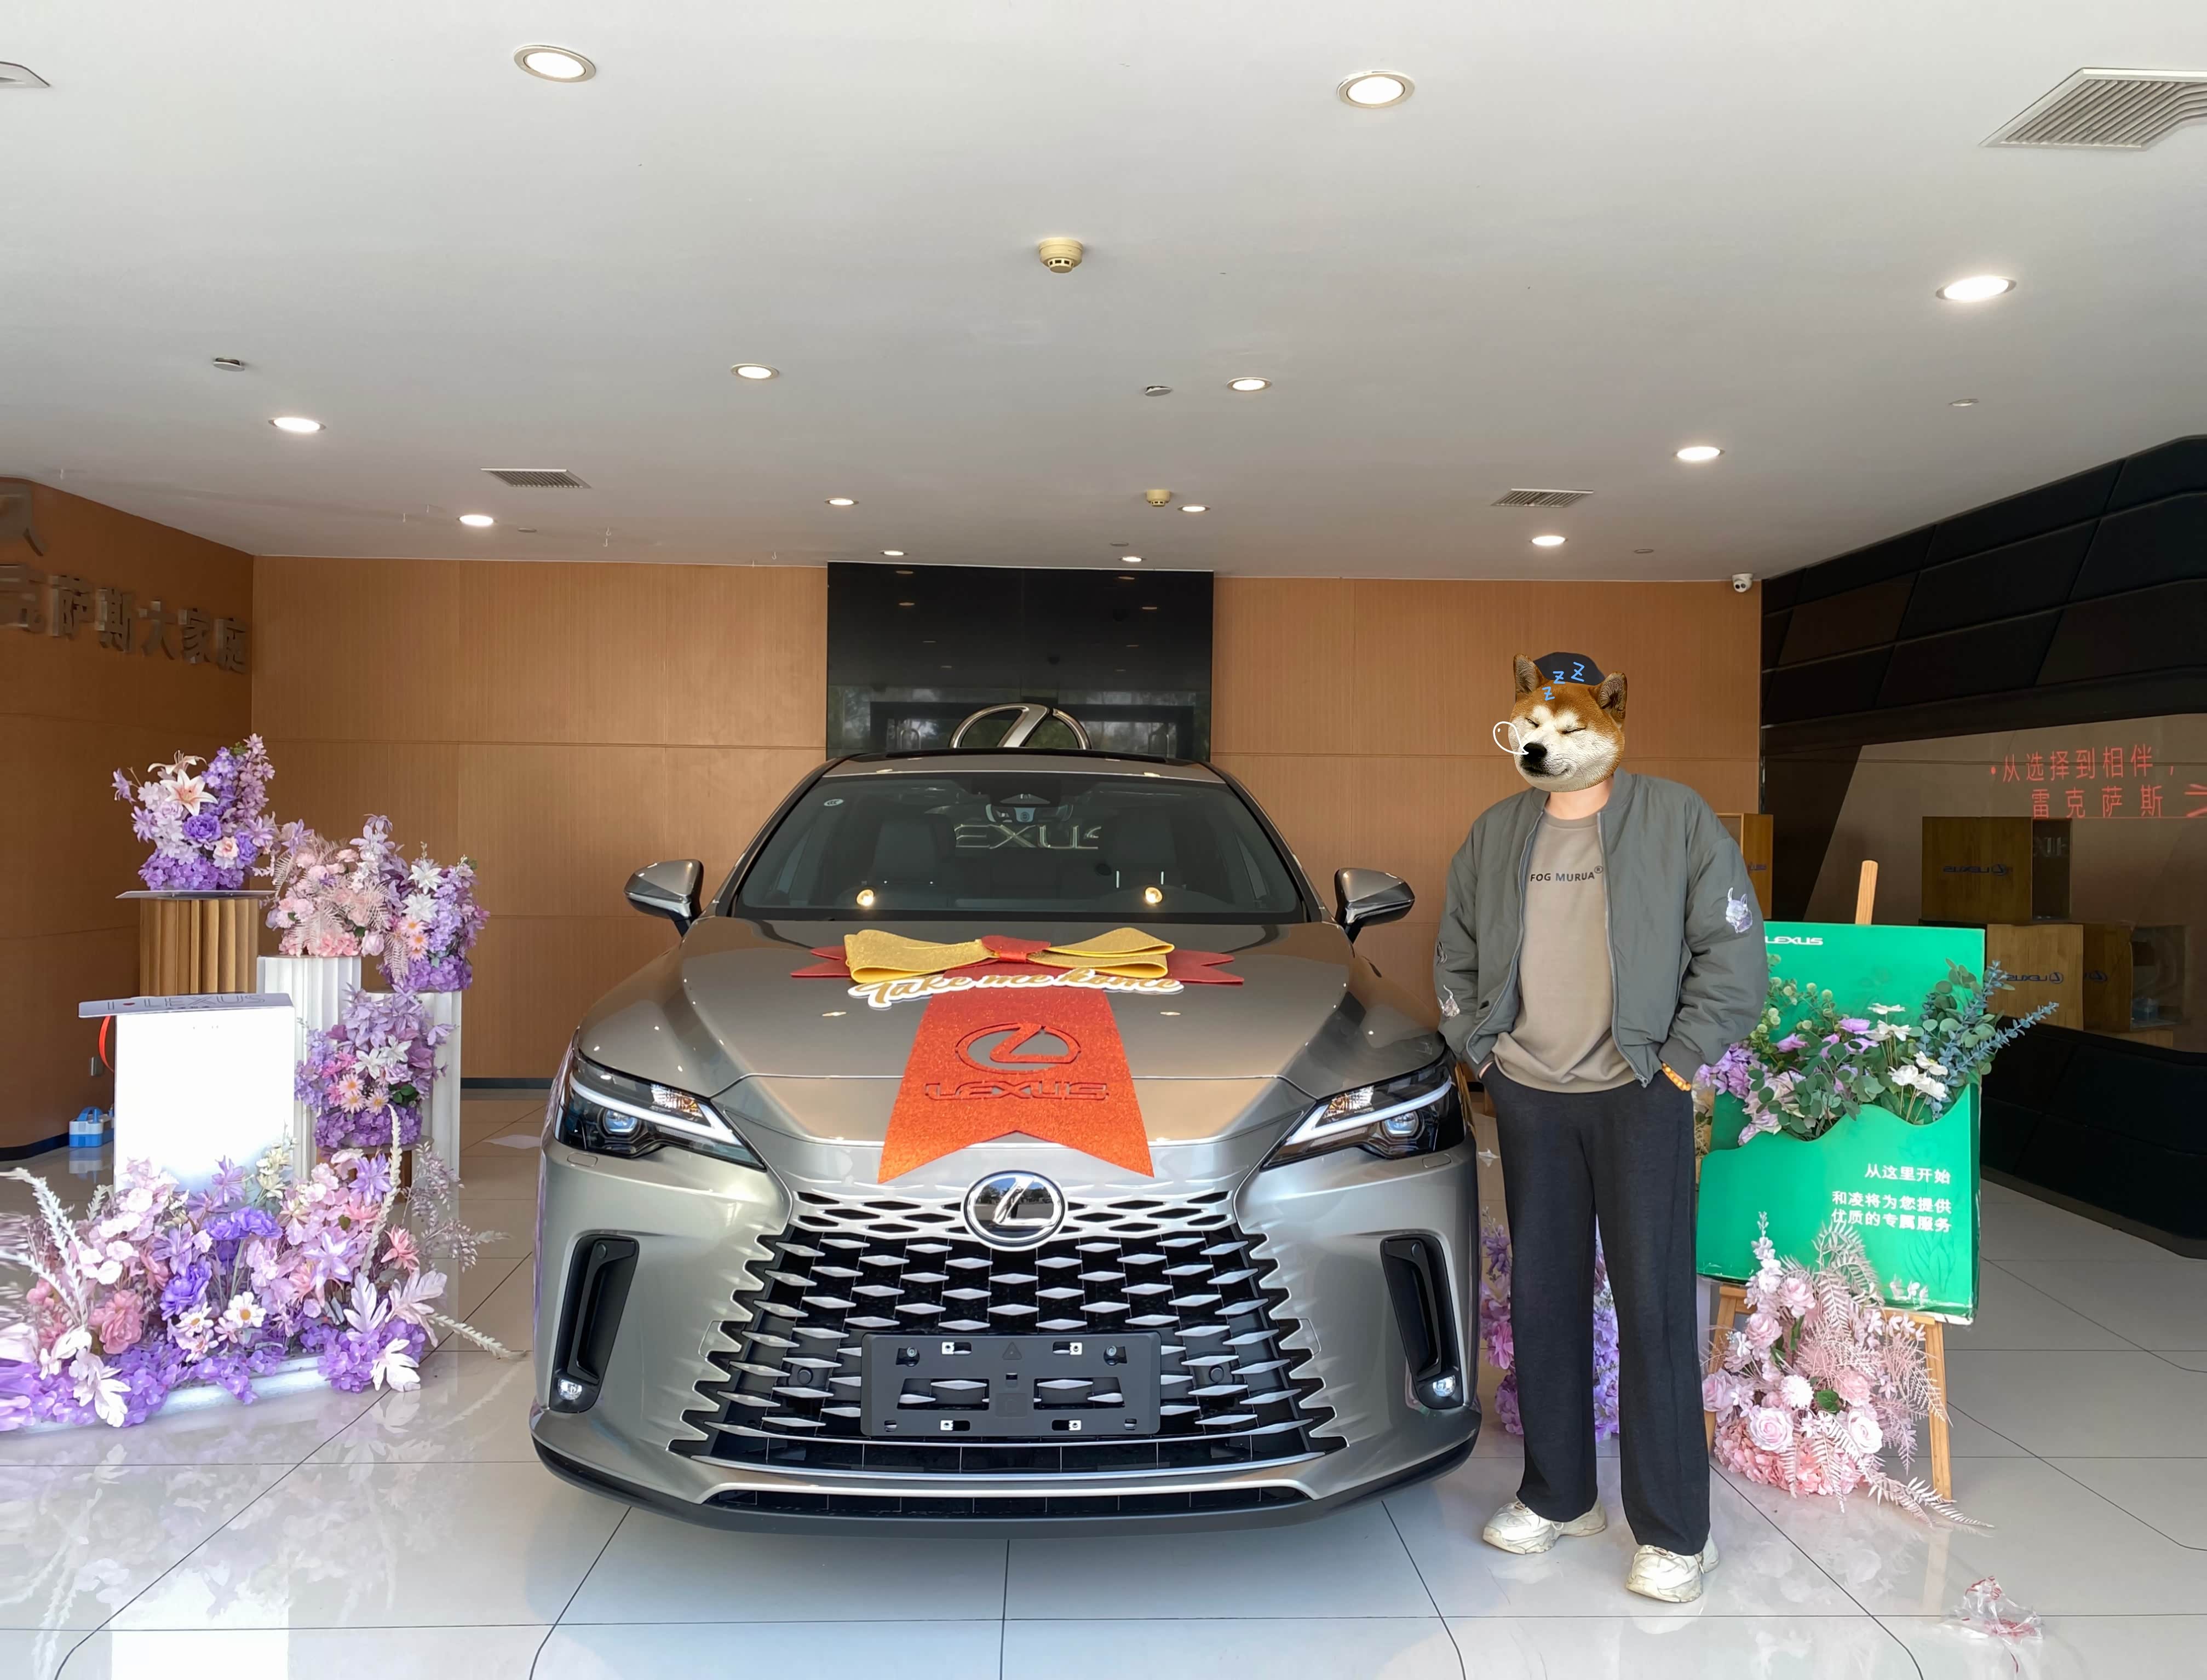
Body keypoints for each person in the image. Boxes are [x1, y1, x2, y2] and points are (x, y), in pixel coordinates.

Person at [1434, 651, 1766, 1603]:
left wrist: (1678, 1063)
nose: (1544, 745)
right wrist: (1483, 1051)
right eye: (1531, 729)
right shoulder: (1496, 832)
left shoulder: (1675, 818)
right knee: (1541, 1296)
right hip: (1530, 1093)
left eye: (1567, 728)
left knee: (1653, 1304)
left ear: (1612, 724)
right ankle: (1558, 1495)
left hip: (1638, 1091)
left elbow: (1732, 950)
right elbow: (1456, 949)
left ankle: (1674, 1532)